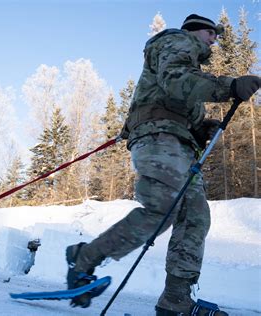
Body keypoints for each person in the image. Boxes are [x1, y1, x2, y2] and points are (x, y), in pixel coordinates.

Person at [65, 14, 261, 315]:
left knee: (195, 217)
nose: (215, 40)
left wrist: (201, 127)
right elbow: (176, 81)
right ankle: (84, 258)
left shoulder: (189, 63)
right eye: (212, 33)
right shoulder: (175, 41)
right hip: (158, 137)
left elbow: (181, 102)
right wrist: (230, 86)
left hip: (179, 145)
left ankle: (176, 299)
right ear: (196, 31)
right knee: (162, 208)